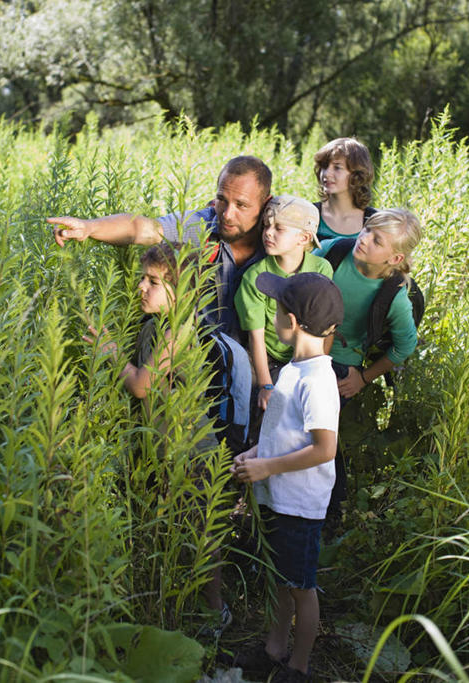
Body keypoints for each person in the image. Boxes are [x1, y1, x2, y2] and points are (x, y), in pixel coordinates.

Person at [84, 242, 231, 631]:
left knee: (202, 535)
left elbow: (142, 386)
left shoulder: (180, 329)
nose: (141, 288)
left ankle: (216, 613)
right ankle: (183, 611)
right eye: (142, 278)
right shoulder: (154, 326)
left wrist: (111, 352)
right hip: (165, 449)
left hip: (192, 451)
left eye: (153, 281)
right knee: (177, 531)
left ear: (181, 291)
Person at [232, 272, 343, 683]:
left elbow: (324, 448)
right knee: (280, 579)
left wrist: (268, 467)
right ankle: (274, 647)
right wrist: (255, 455)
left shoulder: (318, 380)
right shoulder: (294, 369)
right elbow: (283, 434)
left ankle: (299, 666)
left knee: (300, 586)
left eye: (276, 309)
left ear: (292, 322)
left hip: (299, 503)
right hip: (277, 495)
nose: (273, 315)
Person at [48, 155, 272, 341]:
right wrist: (90, 227)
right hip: (196, 360)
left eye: (241, 205)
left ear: (265, 203)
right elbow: (143, 228)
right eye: (222, 199)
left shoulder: (281, 236)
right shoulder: (202, 226)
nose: (227, 214)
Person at [234, 196, 333, 430]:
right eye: (266, 226)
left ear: (304, 237)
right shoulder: (255, 276)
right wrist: (266, 386)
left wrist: (312, 368)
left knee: (297, 417)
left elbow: (324, 329)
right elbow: (255, 337)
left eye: (279, 228)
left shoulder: (321, 270)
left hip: (302, 356)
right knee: (263, 409)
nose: (268, 233)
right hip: (261, 356)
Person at [314, 208, 422, 397]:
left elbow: (405, 345)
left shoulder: (393, 296)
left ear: (395, 258)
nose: (364, 238)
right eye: (367, 229)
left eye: (377, 241)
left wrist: (363, 378)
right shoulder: (334, 249)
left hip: (338, 366)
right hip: (296, 347)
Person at [313, 137, 375, 241]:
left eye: (337, 168)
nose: (326, 174)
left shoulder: (374, 221)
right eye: (324, 166)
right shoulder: (308, 215)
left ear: (357, 174)